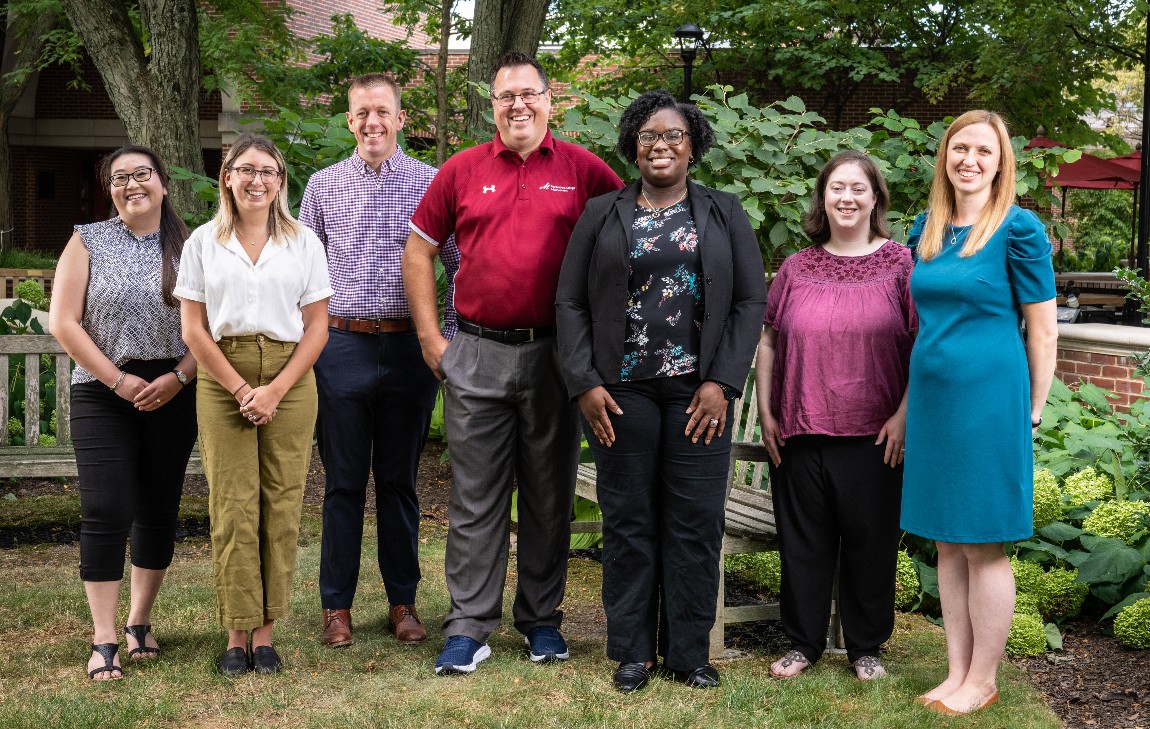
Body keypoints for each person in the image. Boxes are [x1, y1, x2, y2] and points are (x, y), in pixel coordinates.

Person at [403, 51, 623, 675]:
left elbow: (632, 239)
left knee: (549, 495)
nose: (518, 105)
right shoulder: (462, 170)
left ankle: (541, 622)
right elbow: (417, 253)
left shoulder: (584, 171)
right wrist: (430, 340)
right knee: (475, 497)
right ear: (492, 104)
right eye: (506, 96)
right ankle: (469, 626)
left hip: (557, 356)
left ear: (551, 101)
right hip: (474, 351)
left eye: (529, 94)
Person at [555, 89, 765, 691]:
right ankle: (632, 652)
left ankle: (687, 653)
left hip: (700, 395)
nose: (661, 145)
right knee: (628, 520)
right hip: (621, 393)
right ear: (632, 146)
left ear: (694, 146)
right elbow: (569, 301)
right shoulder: (602, 213)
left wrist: (723, 381)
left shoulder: (724, 211)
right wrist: (585, 383)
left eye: (674, 135)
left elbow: (751, 301)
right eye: (649, 136)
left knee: (695, 521)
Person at [900, 110, 1057, 715]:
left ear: (1000, 163)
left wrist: (1034, 411)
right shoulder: (928, 228)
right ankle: (957, 671)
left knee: (984, 542)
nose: (970, 160)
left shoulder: (1017, 230)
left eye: (983, 152)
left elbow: (1042, 332)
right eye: (960, 148)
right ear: (946, 155)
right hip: (937, 401)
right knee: (945, 541)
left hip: (990, 400)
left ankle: (984, 680)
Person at [300, 73, 460, 649]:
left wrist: (450, 339)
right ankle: (335, 607)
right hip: (339, 346)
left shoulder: (432, 182)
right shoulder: (321, 186)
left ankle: (403, 603)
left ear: (400, 118)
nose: (372, 122)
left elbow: (460, 261)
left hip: (409, 349)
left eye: (382, 112)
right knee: (342, 482)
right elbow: (303, 273)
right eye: (362, 113)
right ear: (349, 120)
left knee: (399, 482)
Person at [175, 132, 333, 677]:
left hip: (290, 378)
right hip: (223, 375)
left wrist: (274, 389)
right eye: (246, 169)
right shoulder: (202, 241)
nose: (257, 180)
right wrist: (243, 389)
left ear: (280, 181)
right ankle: (235, 634)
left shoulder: (304, 242)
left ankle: (266, 635)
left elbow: (317, 328)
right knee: (232, 504)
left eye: (268, 171)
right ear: (227, 176)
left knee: (281, 502)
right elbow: (193, 330)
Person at [755, 150, 916, 681]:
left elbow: (924, 343)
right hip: (800, 428)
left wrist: (904, 413)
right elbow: (770, 339)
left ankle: (865, 646)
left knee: (870, 545)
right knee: (803, 543)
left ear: (876, 198)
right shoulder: (798, 267)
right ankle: (803, 644)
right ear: (823, 199)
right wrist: (766, 409)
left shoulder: (901, 265)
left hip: (876, 434)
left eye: (858, 189)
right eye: (836, 189)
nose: (846, 198)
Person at [50, 145, 198, 681]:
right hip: (101, 389)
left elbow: (211, 326)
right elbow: (64, 323)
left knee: (159, 508)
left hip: (173, 388)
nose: (131, 184)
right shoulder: (87, 239)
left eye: (141, 174)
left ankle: (139, 623)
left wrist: (180, 376)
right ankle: (104, 636)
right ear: (109, 188)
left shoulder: (192, 244)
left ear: (161, 182)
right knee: (108, 507)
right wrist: (117, 379)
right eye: (119, 178)